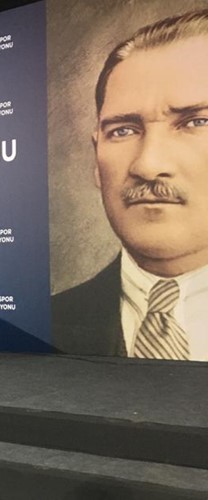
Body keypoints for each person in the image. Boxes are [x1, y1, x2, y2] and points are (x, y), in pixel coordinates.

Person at [52, 10, 208, 361]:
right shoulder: (45, 325)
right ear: (96, 160)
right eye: (123, 130)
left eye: (196, 122)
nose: (147, 165)